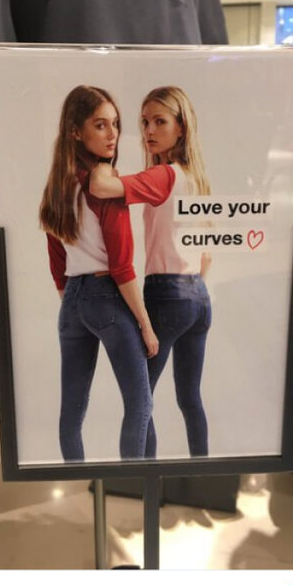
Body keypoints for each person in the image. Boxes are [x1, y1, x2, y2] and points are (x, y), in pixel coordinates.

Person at [87, 86, 212, 457]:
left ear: (181, 127)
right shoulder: (196, 177)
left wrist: (101, 156)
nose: (149, 131)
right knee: (190, 397)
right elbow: (207, 254)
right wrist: (191, 291)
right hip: (198, 297)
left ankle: (147, 479)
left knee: (141, 402)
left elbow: (100, 186)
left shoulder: (164, 176)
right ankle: (200, 468)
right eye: (144, 122)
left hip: (167, 294)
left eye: (160, 121)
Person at [39, 85, 159, 461]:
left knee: (72, 412)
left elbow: (57, 263)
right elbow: (122, 267)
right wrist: (145, 323)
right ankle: (138, 482)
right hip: (107, 296)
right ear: (76, 131)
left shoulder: (57, 187)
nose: (113, 135)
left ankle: (77, 481)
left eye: (116, 124)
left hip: (72, 302)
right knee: (140, 404)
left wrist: (75, 305)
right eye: (100, 125)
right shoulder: (106, 189)